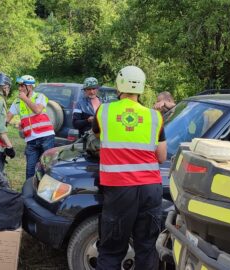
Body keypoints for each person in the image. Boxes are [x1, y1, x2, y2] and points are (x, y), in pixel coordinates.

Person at [93, 66, 167, 270]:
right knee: (146, 248)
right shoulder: (155, 116)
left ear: (119, 85)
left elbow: (100, 138)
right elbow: (161, 156)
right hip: (150, 189)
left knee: (111, 250)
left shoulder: (104, 111)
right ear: (141, 87)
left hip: (119, 190)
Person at [6, 75, 55, 180]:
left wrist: (25, 99)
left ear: (30, 87)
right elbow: (7, 118)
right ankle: (29, 194)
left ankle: (47, 192)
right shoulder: (17, 101)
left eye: (22, 86)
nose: (20, 88)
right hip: (31, 141)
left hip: (46, 137)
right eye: (19, 86)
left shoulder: (40, 96)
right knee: (30, 171)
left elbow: (37, 110)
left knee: (47, 168)